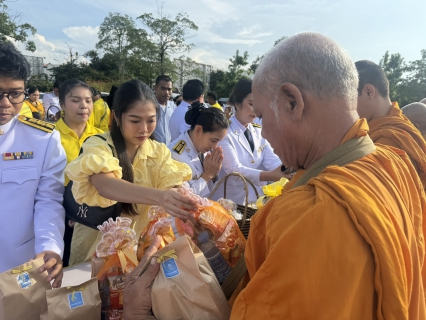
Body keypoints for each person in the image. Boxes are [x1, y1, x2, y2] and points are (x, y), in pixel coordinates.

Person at [125, 32, 426, 319]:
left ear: (292, 102)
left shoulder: (310, 214)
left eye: (265, 117)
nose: (264, 131)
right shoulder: (395, 164)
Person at [65, 79, 196, 265]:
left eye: (151, 120)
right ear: (117, 117)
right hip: (97, 251)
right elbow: (105, 185)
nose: (144, 129)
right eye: (135, 121)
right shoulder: (99, 145)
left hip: (140, 250)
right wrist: (160, 196)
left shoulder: (158, 151)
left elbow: (172, 182)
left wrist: (179, 197)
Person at [0, 41, 66, 288]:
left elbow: (48, 199)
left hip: (18, 270)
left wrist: (50, 247)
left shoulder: (42, 139)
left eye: (15, 93)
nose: (6, 103)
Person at [212, 79, 286, 205]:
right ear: (237, 104)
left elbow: (272, 160)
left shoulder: (258, 131)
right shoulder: (224, 133)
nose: (256, 111)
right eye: (251, 104)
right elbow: (233, 169)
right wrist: (272, 175)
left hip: (254, 199)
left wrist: (288, 169)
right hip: (231, 202)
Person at [55, 79, 104, 266]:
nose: (84, 106)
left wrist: (85, 212)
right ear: (62, 105)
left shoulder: (101, 137)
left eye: (88, 100)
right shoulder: (49, 136)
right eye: (75, 100)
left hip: (92, 217)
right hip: (59, 216)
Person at [356, 60, 426, 188]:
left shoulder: (390, 140)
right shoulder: (399, 125)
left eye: (349, 98)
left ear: (369, 92)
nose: (347, 106)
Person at [168, 103, 228, 197]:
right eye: (213, 140)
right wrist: (207, 175)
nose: (214, 146)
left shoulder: (202, 147)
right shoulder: (175, 154)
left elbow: (208, 188)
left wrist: (214, 172)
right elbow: (182, 197)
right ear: (198, 130)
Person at [152, 75, 176, 145]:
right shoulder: (149, 106)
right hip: (153, 149)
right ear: (155, 88)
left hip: (169, 150)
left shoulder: (173, 107)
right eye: (163, 89)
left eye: (169, 89)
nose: (166, 92)